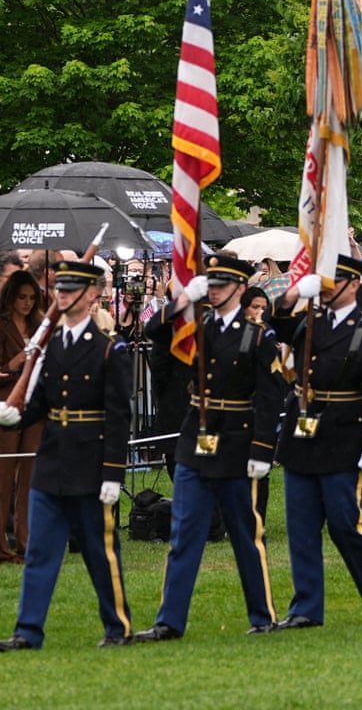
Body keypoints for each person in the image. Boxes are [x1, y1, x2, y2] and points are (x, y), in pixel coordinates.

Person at [133, 254, 286, 642]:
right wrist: (182, 300)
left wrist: (263, 450)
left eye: (219, 285)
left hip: (237, 440)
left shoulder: (258, 335)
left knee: (244, 535)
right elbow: (153, 329)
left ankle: (262, 615)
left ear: (238, 288)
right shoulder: (195, 327)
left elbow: (270, 397)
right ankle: (169, 621)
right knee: (184, 533)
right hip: (194, 438)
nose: (212, 290)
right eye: (209, 285)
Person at [0, 261, 133, 649]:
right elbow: (42, 402)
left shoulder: (110, 350)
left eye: (73, 288)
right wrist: (15, 416)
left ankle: (118, 627)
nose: (63, 294)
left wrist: (113, 473)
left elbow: (119, 416)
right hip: (53, 460)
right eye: (60, 287)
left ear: (93, 295)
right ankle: (28, 631)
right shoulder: (52, 345)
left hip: (91, 465)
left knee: (100, 552)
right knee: (40, 552)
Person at [270, 255, 362, 629]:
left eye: (330, 283)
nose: (323, 289)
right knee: (301, 526)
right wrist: (293, 293)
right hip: (303, 435)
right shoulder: (309, 323)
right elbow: (274, 323)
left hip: (344, 436)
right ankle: (306, 607)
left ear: (352, 285)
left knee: (346, 523)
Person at [0, 271, 45, 563]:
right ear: (11, 298)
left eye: (31, 298)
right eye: (22, 298)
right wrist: (15, 364)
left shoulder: (41, 325)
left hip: (35, 407)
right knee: (3, 478)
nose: (27, 303)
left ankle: (27, 544)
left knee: (30, 477)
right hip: (5, 406)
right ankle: (2, 548)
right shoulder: (1, 327)